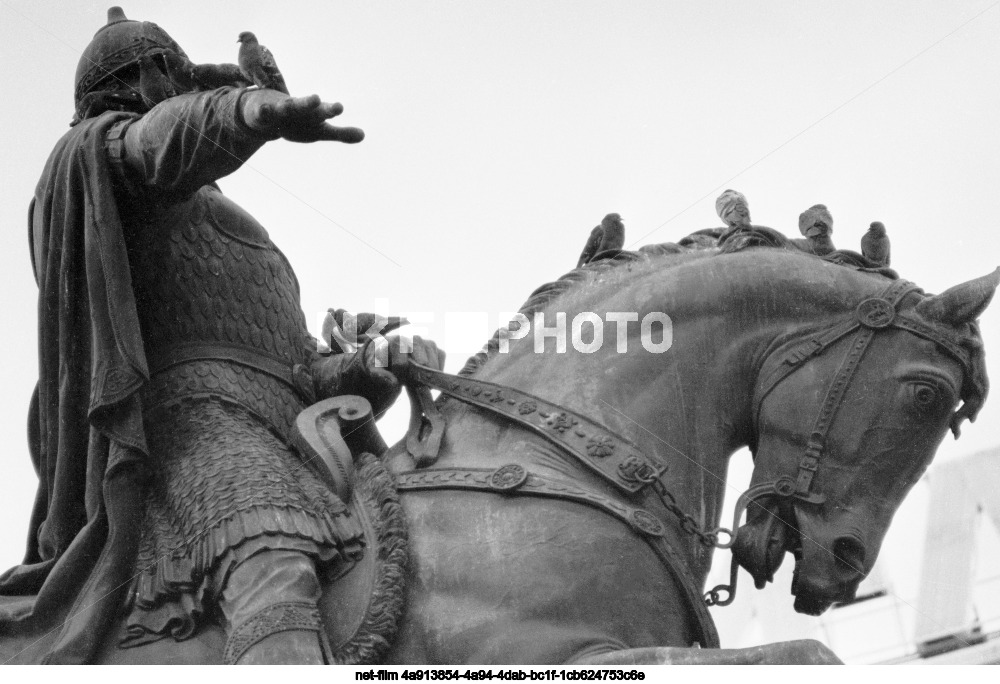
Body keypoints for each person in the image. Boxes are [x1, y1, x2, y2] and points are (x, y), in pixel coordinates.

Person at [0, 7, 441, 664]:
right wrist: (244, 111)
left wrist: (366, 366)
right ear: (147, 79)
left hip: (293, 442)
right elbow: (161, 145)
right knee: (268, 555)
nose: (185, 89)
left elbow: (299, 373)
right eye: (174, 76)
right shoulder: (98, 164)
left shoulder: (240, 228)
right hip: (194, 436)